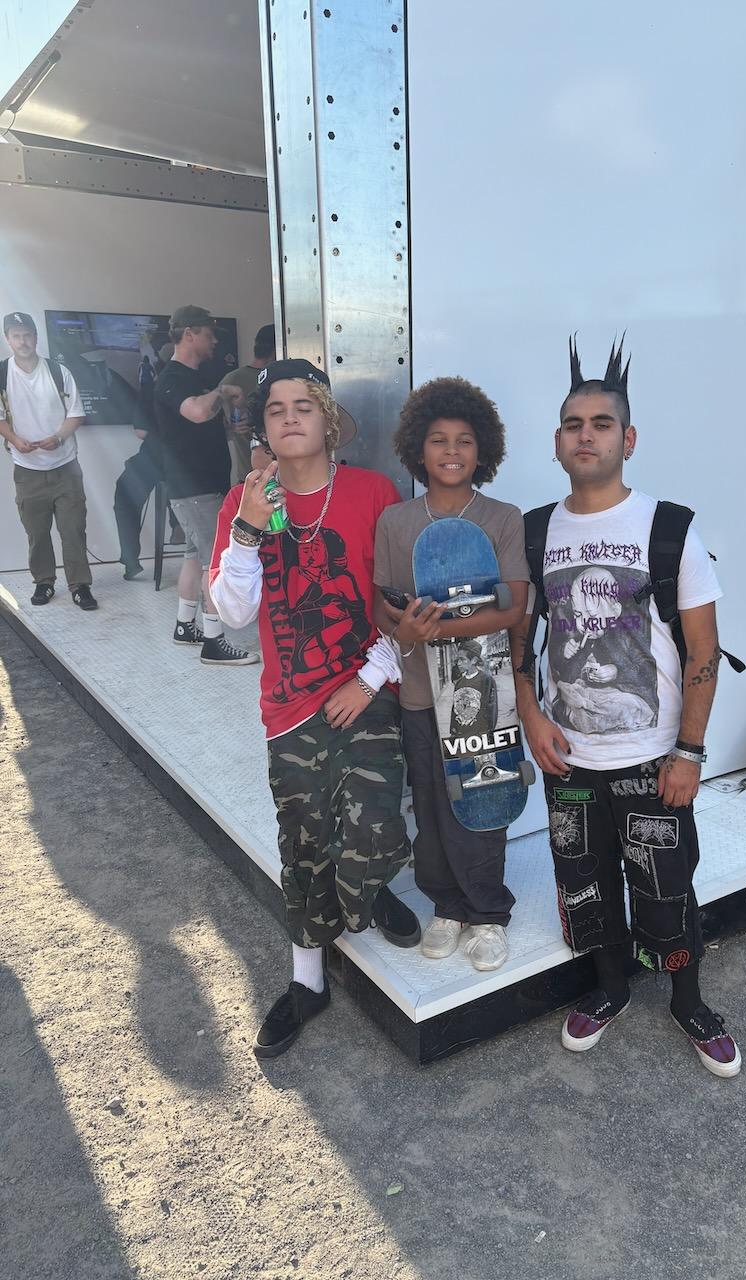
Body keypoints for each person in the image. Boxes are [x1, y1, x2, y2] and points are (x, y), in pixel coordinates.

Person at [509, 337, 741, 1075]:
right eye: (573, 424)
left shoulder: (669, 529)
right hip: (570, 759)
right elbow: (520, 638)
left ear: (628, 439)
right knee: (584, 883)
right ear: (557, 442)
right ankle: (610, 989)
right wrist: (530, 714)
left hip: (652, 757)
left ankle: (688, 1001)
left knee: (667, 888)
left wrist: (690, 753)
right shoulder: (535, 531)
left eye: (601, 424)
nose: (586, 435)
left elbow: (703, 651)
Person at [209, 358, 420, 1058]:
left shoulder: (371, 492)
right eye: (276, 409)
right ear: (263, 427)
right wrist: (246, 529)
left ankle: (369, 887)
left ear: (327, 419)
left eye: (304, 405)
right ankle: (308, 979)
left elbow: (403, 603)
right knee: (304, 837)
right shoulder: (247, 501)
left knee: (375, 819)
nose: (290, 417)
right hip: (289, 703)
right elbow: (232, 612)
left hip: (367, 686)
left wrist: (371, 678)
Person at [374, 377, 529, 972]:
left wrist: (435, 630)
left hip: (486, 698)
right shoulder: (395, 521)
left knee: (484, 799)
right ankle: (447, 905)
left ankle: (488, 912)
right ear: (418, 448)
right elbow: (381, 604)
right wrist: (404, 628)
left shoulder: (502, 518)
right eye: (438, 439)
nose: (451, 451)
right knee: (432, 803)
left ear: (482, 449)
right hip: (419, 694)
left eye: (464, 440)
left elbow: (514, 608)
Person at [153, 305, 256, 665]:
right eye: (209, 334)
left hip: (201, 485)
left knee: (194, 557)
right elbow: (196, 412)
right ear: (190, 334)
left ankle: (185, 626)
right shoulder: (172, 378)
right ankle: (214, 642)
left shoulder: (193, 378)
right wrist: (223, 390)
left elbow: (197, 426)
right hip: (194, 487)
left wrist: (229, 427)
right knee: (216, 561)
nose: (214, 341)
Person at [0, 311, 97, 610]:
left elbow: (76, 414)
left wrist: (58, 438)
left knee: (73, 529)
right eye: (16, 336)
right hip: (27, 470)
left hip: (66, 466)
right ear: (8, 339)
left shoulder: (58, 371)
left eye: (27, 335)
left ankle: (80, 586)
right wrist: (15, 439)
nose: (23, 341)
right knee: (37, 532)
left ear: (36, 336)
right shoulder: (2, 374)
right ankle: (44, 582)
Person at [113, 343, 182, 580]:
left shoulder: (153, 386)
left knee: (124, 495)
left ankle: (130, 560)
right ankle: (177, 523)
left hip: (155, 457)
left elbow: (141, 432)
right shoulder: (197, 384)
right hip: (190, 463)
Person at [218, 323, 276, 485]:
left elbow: (225, 425)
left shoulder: (231, 379)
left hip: (248, 476)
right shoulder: (279, 380)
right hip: (265, 476)